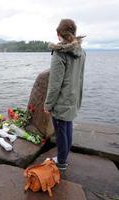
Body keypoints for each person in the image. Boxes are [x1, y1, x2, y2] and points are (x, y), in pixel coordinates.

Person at [44, 19, 86, 170]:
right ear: (73, 33)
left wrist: (48, 105)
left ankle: (61, 162)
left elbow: (55, 85)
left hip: (62, 101)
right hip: (73, 98)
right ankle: (64, 156)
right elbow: (80, 77)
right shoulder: (81, 51)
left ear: (58, 34)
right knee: (67, 127)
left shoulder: (59, 54)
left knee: (61, 132)